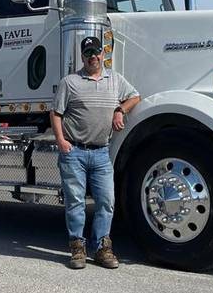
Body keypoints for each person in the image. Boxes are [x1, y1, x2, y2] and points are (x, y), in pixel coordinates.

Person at [50, 36, 141, 269]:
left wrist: (120, 110)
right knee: (75, 202)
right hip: (75, 152)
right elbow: (56, 113)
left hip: (101, 153)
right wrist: (61, 140)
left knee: (107, 201)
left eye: (96, 52)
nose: (93, 56)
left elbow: (135, 96)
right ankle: (77, 248)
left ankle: (102, 248)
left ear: (103, 54)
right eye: (88, 52)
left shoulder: (115, 80)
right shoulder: (70, 82)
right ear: (82, 57)